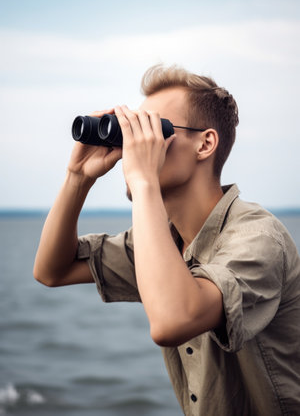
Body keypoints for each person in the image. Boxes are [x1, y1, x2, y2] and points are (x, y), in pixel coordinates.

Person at [33, 64, 300, 415]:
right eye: (132, 132)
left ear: (205, 144)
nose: (135, 146)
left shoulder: (258, 239)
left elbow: (173, 320)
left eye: (151, 131)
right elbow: (53, 271)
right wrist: (77, 177)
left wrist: (143, 180)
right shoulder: (165, 240)